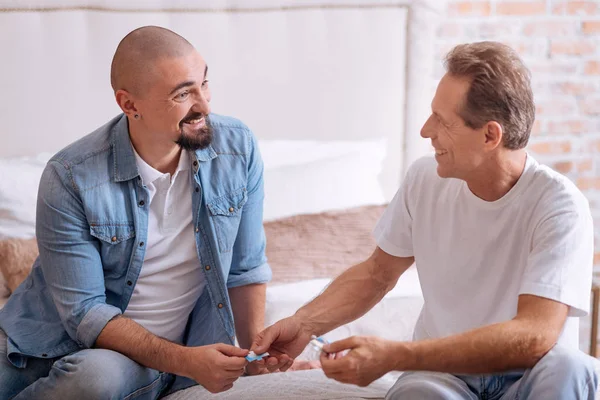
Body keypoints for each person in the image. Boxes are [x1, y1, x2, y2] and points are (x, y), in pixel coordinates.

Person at [252, 41, 598, 399]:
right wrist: (304, 324)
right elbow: (377, 274)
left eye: (443, 121)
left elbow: (535, 335)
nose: (425, 130)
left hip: (530, 379)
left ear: (490, 135)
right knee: (418, 393)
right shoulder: (425, 180)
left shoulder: (559, 205)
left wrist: (396, 355)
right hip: (443, 379)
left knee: (573, 367)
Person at [0, 26, 273, 399]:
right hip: (35, 340)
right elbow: (85, 312)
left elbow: (245, 268)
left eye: (204, 84)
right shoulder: (70, 175)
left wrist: (254, 358)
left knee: (95, 380)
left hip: (129, 362)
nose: (205, 105)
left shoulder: (236, 149)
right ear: (129, 105)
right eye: (183, 93)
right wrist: (188, 361)